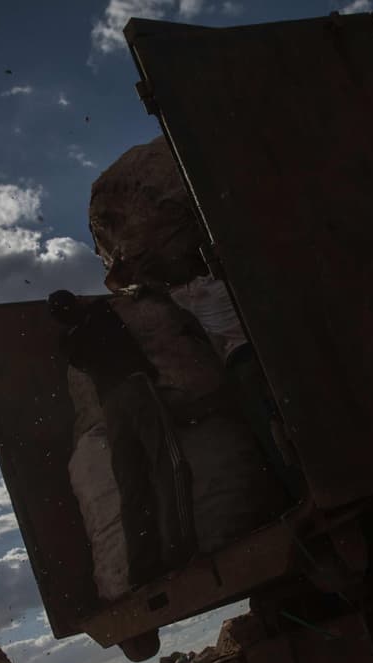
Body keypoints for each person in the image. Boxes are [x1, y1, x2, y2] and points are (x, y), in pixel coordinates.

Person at [89, 137, 306, 499]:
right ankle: (298, 480)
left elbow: (133, 283)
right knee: (279, 423)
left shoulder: (183, 293)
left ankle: (296, 485)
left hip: (243, 362)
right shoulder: (214, 282)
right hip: (255, 355)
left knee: (271, 429)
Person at [49, 289, 195, 587]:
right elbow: (111, 302)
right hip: (135, 388)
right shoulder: (101, 313)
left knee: (131, 484)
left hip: (110, 405)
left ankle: (142, 567)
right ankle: (180, 550)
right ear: (77, 302)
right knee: (169, 463)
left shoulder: (69, 344)